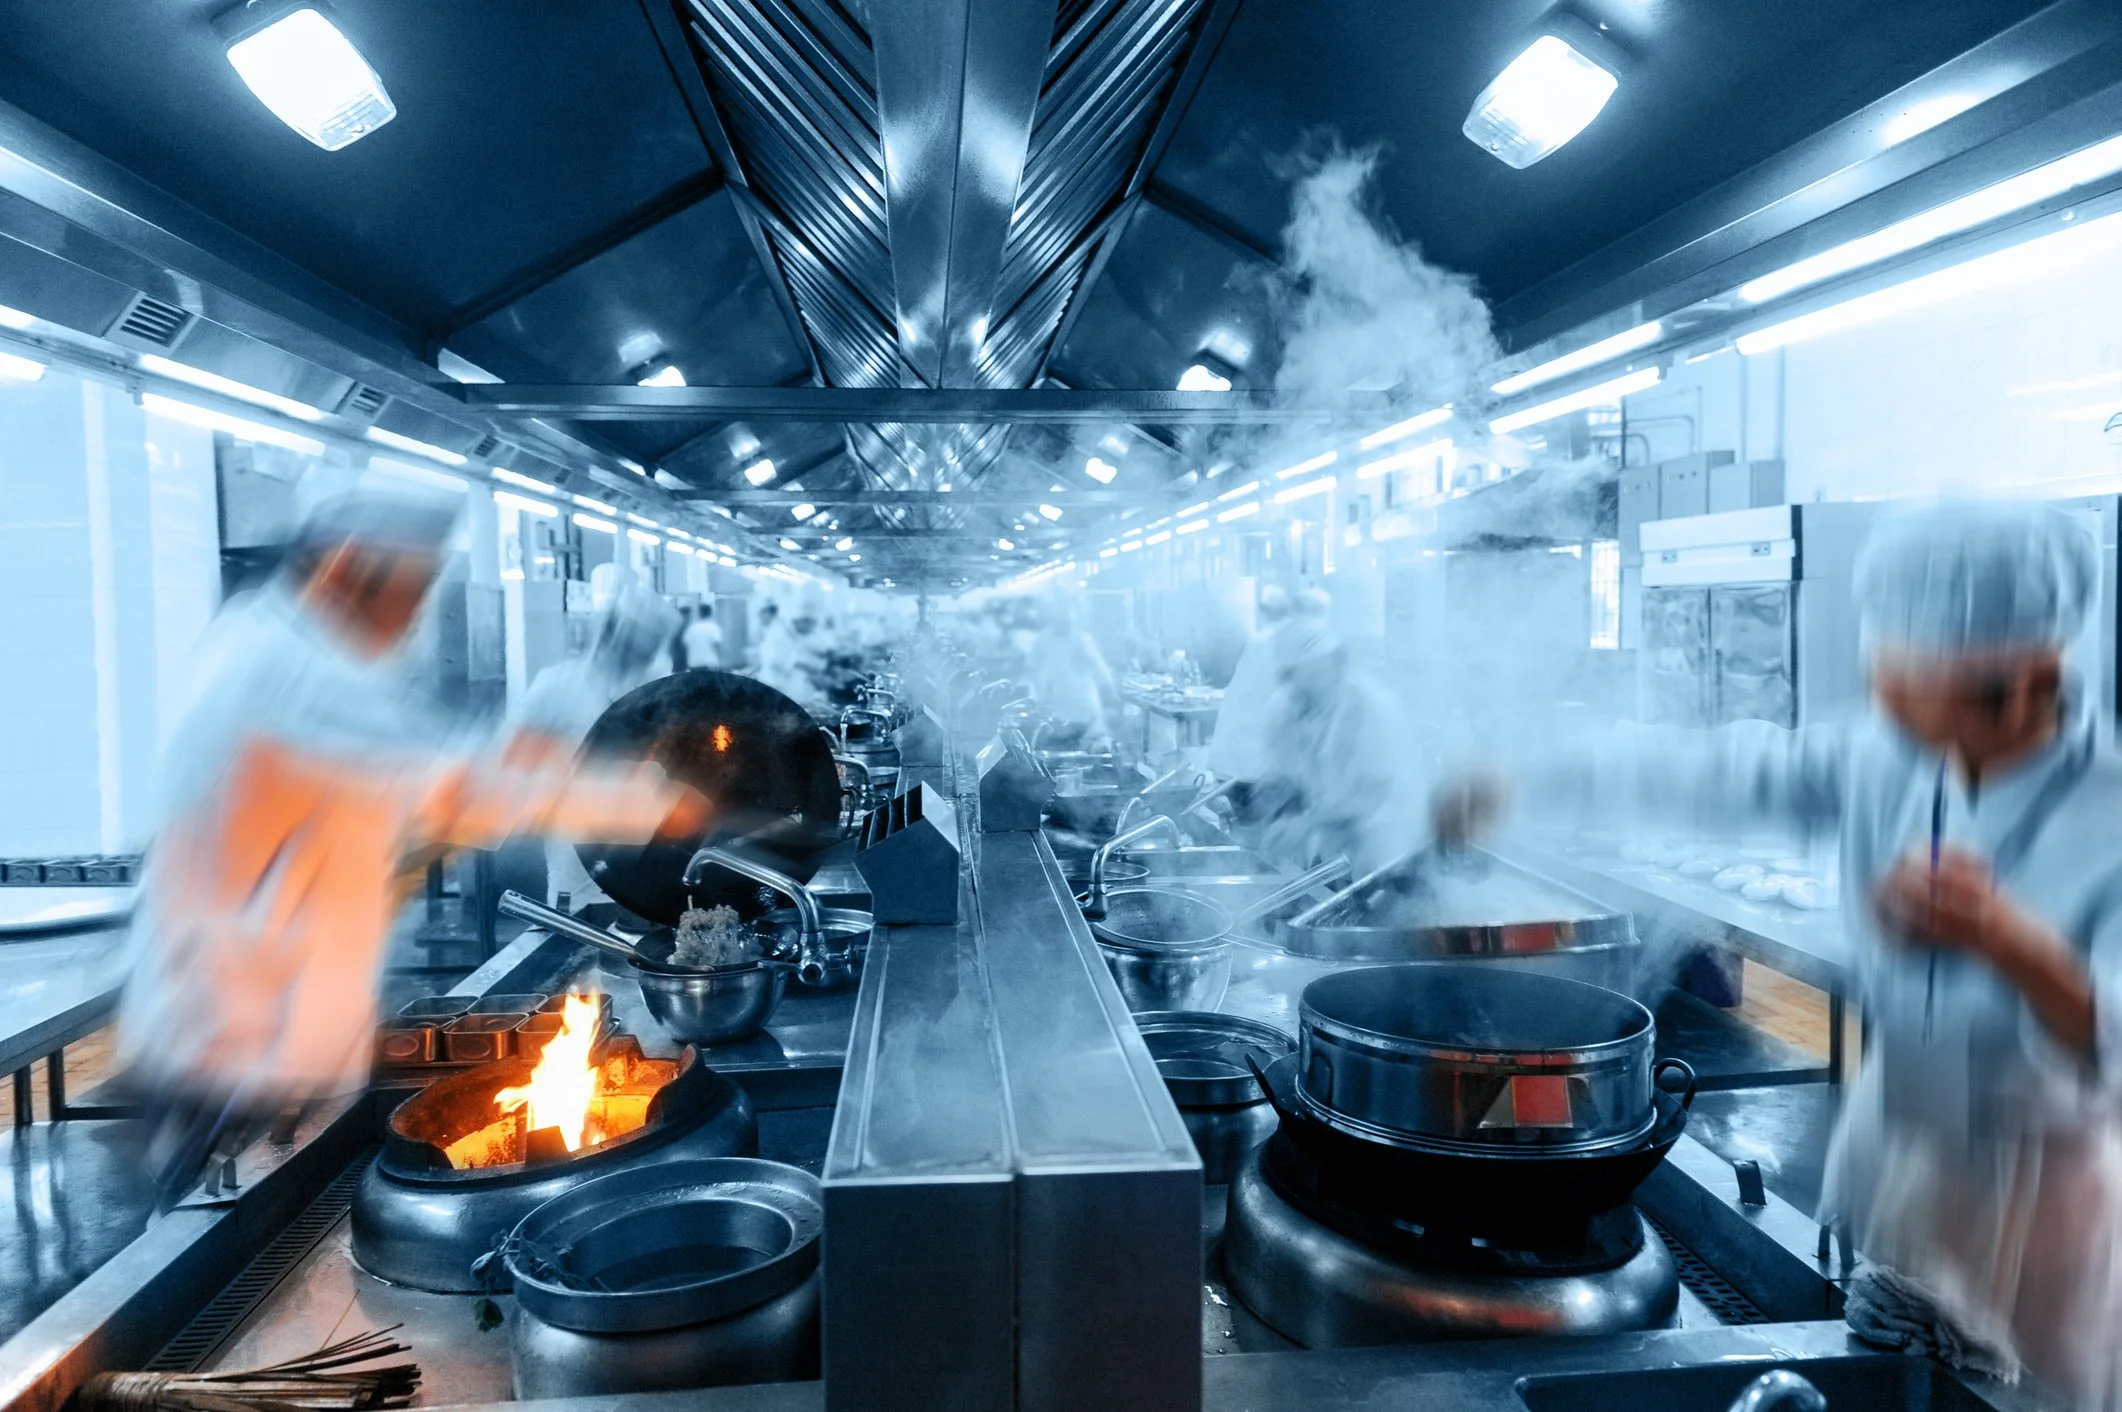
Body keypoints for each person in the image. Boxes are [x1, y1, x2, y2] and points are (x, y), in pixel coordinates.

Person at [1439, 500, 2122, 1408]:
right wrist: (1527, 779)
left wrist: (2011, 942)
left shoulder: (2103, 806)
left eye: (1919, 672)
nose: (1887, 693)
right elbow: (1718, 770)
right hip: (1907, 1193)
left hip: (2045, 1228)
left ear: (2020, 669)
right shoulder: (1897, 757)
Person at [116, 472, 707, 1209]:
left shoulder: (282, 645)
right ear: (350, 566)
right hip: (228, 1040)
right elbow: (453, 785)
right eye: (412, 590)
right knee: (214, 1225)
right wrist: (656, 806)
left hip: (262, 1025)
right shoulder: (292, 668)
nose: (417, 614)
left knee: (244, 1204)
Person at [511, 581, 683, 906]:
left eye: (653, 642)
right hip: (576, 840)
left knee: (638, 919)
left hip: (643, 839)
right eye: (640, 640)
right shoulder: (558, 686)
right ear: (612, 632)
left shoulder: (656, 687)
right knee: (578, 920)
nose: (646, 651)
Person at [1254, 593, 1421, 872]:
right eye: (1297, 684)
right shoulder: (1282, 706)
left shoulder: (1374, 708)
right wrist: (1272, 795)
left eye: (1316, 681)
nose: (1305, 697)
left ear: (1339, 664)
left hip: (1386, 845)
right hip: (1331, 844)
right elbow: (1281, 774)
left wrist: (1306, 823)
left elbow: (1371, 796)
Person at [1208, 585, 1293, 821]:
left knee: (1248, 832)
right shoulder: (1289, 645)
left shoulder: (1259, 641)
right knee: (1268, 835)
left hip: (1229, 762)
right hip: (1256, 770)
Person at [1026, 598, 1116, 749]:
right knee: (1057, 741)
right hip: (1055, 702)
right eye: (1061, 622)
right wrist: (1039, 697)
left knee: (1086, 742)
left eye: (1068, 622)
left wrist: (1109, 690)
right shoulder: (1042, 640)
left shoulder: (1082, 639)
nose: (1065, 625)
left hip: (1082, 701)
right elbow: (1032, 669)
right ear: (1053, 621)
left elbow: (1098, 666)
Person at [681, 601, 724, 672]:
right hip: (710, 665)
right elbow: (717, 645)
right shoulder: (713, 627)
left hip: (694, 666)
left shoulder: (691, 628)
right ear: (710, 613)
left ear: (699, 613)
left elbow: (684, 645)